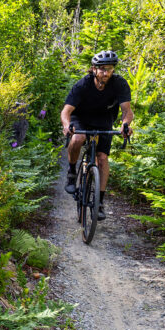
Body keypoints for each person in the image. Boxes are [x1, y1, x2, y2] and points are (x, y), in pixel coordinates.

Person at [60, 50, 134, 221]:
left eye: (109, 69)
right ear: (94, 69)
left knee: (102, 158)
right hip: (81, 118)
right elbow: (66, 111)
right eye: (102, 69)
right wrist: (66, 126)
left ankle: (99, 202)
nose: (106, 73)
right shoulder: (82, 85)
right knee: (78, 138)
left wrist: (125, 125)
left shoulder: (119, 84)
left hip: (104, 121)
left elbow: (127, 111)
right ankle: (71, 173)